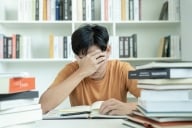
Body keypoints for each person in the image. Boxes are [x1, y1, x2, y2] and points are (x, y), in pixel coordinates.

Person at [39, 24, 141, 115]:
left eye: (96, 58)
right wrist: (82, 71)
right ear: (77, 57)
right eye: (85, 60)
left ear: (108, 51)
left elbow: (156, 103)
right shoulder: (72, 70)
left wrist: (131, 108)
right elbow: (43, 107)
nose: (93, 67)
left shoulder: (122, 69)